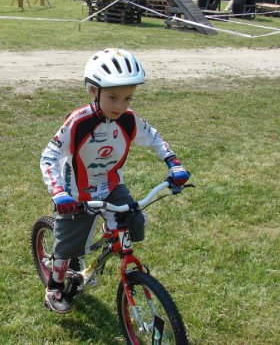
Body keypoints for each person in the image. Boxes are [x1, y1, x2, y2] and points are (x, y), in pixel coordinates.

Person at [39, 48, 190, 314]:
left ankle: (107, 242)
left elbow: (154, 138)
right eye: (112, 97)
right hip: (78, 192)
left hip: (111, 185)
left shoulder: (129, 121)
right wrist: (59, 193)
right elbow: (49, 155)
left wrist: (173, 163)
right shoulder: (79, 122)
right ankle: (54, 285)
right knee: (68, 243)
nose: (120, 106)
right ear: (93, 91)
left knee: (134, 220)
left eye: (127, 98)